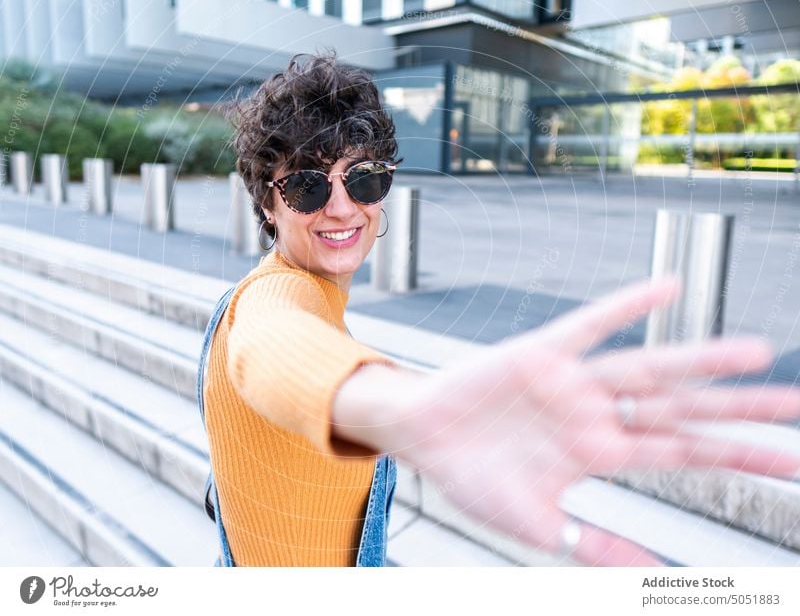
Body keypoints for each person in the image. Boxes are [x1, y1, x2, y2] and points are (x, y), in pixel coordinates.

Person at [201, 49, 800, 567]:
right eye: (306, 185)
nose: (341, 208)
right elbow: (273, 344)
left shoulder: (308, 297)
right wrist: (412, 410)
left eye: (362, 180)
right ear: (266, 202)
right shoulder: (273, 297)